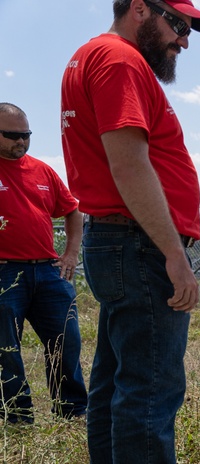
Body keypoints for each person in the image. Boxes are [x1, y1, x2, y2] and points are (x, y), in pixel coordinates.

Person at [61, 0, 200, 464]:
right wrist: (171, 255)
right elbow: (129, 163)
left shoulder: (92, 59)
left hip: (121, 241)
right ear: (140, 9)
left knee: (114, 382)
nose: (183, 40)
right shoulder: (118, 61)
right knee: (152, 385)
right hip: (138, 243)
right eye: (178, 25)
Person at [0, 103, 88, 425]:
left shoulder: (43, 171)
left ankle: (73, 410)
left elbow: (73, 210)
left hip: (48, 271)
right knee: (5, 348)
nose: (20, 142)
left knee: (67, 341)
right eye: (12, 135)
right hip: (4, 273)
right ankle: (18, 416)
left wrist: (71, 254)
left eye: (26, 135)